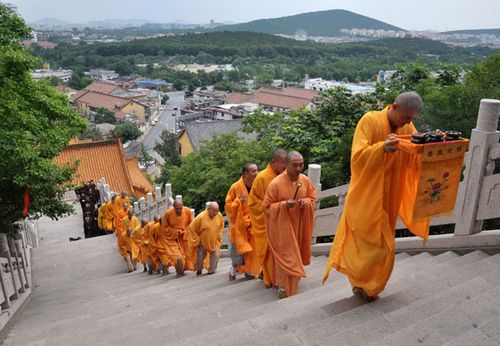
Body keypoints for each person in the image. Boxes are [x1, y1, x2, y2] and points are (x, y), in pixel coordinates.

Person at [322, 91, 430, 301]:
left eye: (411, 119)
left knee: (382, 243)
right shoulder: (370, 120)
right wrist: (381, 148)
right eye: (406, 117)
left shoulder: (406, 127)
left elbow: (414, 150)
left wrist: (429, 145)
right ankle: (362, 283)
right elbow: (357, 157)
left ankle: (370, 285)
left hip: (390, 196)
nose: (408, 123)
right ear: (394, 107)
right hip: (366, 196)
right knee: (368, 243)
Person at [264, 151, 316, 298]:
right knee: (286, 255)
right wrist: (284, 205)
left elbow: (312, 196)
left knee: (295, 253)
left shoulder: (305, 180)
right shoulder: (275, 184)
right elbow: (267, 207)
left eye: (301, 165)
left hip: (299, 225)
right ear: (285, 165)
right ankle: (283, 286)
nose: (298, 169)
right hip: (282, 228)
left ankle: (293, 282)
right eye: (295, 165)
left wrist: (306, 202)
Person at [247, 149, 287, 288]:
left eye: (286, 163)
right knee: (269, 252)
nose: (284, 166)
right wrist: (269, 207)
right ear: (273, 162)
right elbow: (252, 202)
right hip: (266, 222)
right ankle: (271, 279)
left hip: (281, 220)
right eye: (282, 163)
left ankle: (275, 276)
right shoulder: (262, 178)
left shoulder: (285, 176)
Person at [225, 162, 259, 281]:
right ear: (245, 174)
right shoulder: (235, 187)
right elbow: (228, 208)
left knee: (253, 249)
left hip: (253, 223)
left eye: (257, 170)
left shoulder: (257, 185)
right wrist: (238, 202)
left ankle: (250, 270)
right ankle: (234, 268)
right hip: (239, 225)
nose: (257, 173)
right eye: (253, 171)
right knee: (238, 251)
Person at [158, 200, 193, 277]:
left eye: (180, 208)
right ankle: (179, 272)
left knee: (184, 256)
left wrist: (184, 231)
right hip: (171, 239)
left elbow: (190, 224)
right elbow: (165, 229)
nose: (179, 210)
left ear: (183, 206)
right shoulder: (168, 213)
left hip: (183, 237)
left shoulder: (187, 211)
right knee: (177, 257)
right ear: (173, 207)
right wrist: (176, 232)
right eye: (177, 209)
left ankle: (180, 271)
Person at [188, 202, 224, 276]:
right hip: (203, 242)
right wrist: (197, 240)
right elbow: (191, 228)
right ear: (208, 209)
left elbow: (221, 226)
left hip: (213, 240)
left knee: (216, 255)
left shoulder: (219, 215)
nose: (215, 213)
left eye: (217, 210)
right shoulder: (201, 217)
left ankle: (211, 270)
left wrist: (218, 235)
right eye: (214, 211)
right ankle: (199, 269)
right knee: (201, 256)